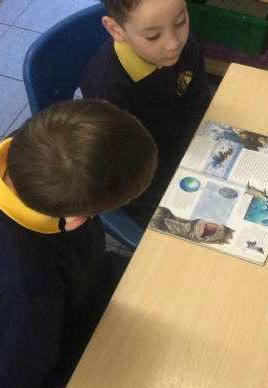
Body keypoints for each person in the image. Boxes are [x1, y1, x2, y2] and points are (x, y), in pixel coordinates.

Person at [0, 99, 157, 388]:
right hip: (61, 330)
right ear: (75, 219)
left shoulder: (22, 153)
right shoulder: (30, 289)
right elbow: (6, 375)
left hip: (86, 281)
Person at [80, 0, 212, 227]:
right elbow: (122, 172)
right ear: (115, 30)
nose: (173, 43)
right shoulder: (109, 92)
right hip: (143, 181)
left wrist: (198, 161)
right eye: (153, 36)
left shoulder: (186, 48)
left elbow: (196, 108)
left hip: (183, 155)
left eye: (180, 22)